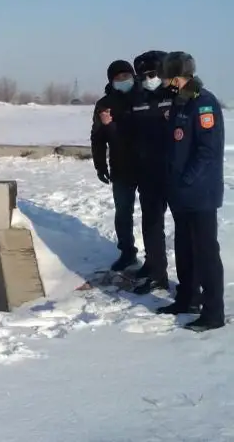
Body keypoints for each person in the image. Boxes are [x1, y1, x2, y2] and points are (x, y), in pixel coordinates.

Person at [157, 51, 225, 332]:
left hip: (200, 192)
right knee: (184, 248)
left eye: (166, 78)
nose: (163, 83)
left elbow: (208, 151)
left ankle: (213, 313)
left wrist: (186, 179)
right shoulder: (179, 102)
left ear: (178, 78)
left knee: (206, 251)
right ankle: (188, 298)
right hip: (181, 193)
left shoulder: (204, 103)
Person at [91, 59, 150, 273]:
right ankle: (127, 252)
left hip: (146, 167)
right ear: (111, 80)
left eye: (126, 76)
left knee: (151, 214)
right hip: (120, 167)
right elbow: (97, 138)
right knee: (123, 212)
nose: (123, 80)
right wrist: (100, 165)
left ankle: (153, 257)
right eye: (118, 78)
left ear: (133, 76)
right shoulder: (104, 104)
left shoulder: (145, 97)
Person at [128, 50, 175, 294]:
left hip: (174, 171)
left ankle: (187, 281)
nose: (149, 78)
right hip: (147, 172)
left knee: (183, 228)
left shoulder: (176, 94)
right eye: (144, 75)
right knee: (151, 223)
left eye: (153, 74)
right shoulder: (137, 97)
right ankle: (156, 270)